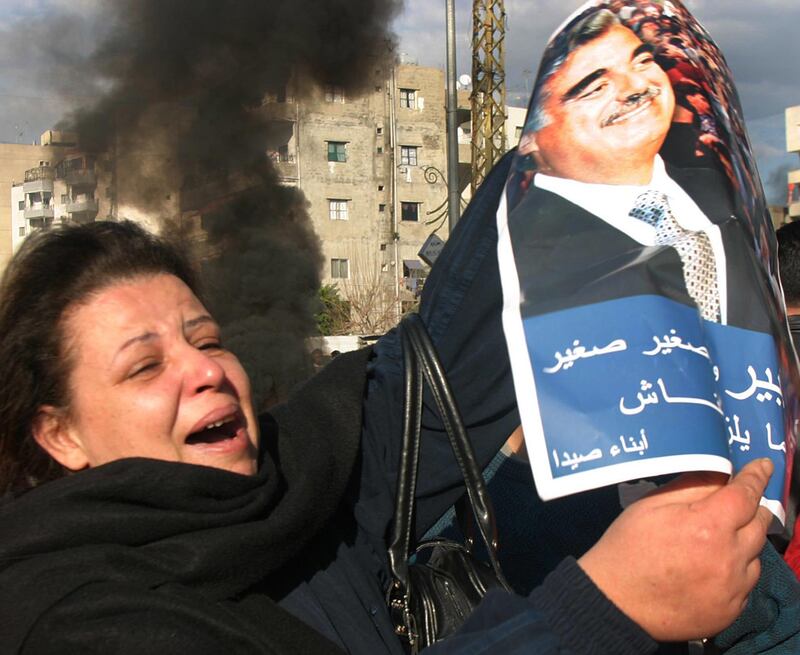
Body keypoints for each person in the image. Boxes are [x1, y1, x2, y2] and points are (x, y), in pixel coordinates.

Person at [0, 219, 795, 654]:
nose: (204, 371)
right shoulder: (70, 619)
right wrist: (599, 609)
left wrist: (574, 126)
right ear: (59, 434)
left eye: (206, 340)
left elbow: (444, 367)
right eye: (145, 367)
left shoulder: (291, 484)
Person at [512, 7, 772, 333]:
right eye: (597, 87)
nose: (636, 87)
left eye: (642, 62)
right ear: (532, 140)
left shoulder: (727, 203)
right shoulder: (516, 255)